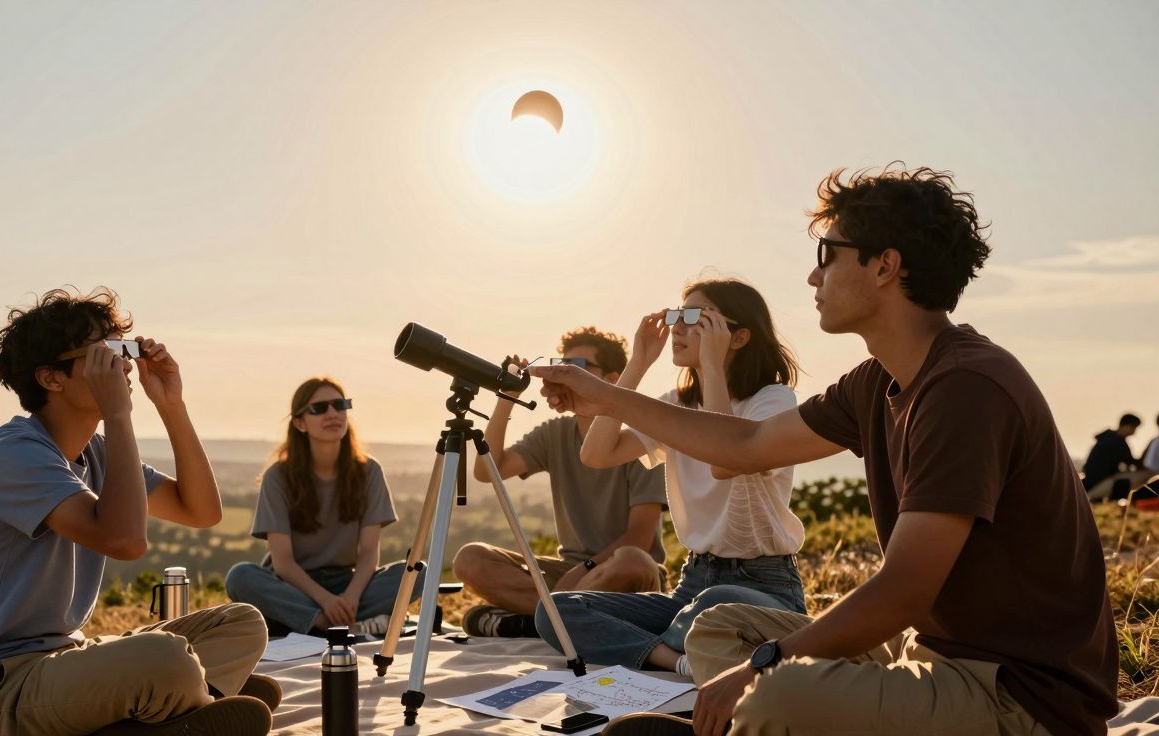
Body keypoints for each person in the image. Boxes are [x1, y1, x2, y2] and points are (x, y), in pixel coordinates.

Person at [534, 165, 1118, 736]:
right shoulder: (875, 381)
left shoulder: (966, 386)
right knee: (716, 631)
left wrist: (766, 665)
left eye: (827, 256)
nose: (814, 280)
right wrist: (599, 391)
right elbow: (744, 446)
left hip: (1018, 694)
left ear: (885, 266)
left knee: (777, 690)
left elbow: (903, 590)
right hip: (930, 649)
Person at [0, 288, 277, 736]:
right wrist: (119, 414)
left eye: (124, 349)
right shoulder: (13, 454)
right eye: (106, 352)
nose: (124, 364)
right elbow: (125, 541)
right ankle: (192, 700)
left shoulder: (97, 454)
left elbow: (201, 511)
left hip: (56, 664)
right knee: (164, 658)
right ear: (51, 378)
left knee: (241, 622)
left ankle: (178, 706)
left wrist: (170, 404)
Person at [534, 279, 805, 678]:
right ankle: (677, 658)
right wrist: (637, 363)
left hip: (764, 587)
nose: (677, 326)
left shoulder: (773, 401)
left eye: (695, 316)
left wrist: (712, 367)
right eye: (677, 314)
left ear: (739, 336)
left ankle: (686, 637)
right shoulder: (676, 406)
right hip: (692, 585)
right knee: (555, 612)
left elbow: (724, 460)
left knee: (717, 602)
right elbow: (597, 454)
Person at [452, 326, 669, 639]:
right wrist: (508, 395)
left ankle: (537, 619)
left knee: (633, 563)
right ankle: (561, 619)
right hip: (568, 574)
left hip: (622, 575)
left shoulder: (638, 439)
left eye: (577, 367)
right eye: (563, 365)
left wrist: (583, 573)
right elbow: (489, 470)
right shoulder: (555, 434)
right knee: (470, 559)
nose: (566, 374)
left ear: (611, 380)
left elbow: (639, 539)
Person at [226, 377, 422, 638]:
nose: (332, 414)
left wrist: (349, 598)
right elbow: (283, 563)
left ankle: (305, 621)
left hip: (346, 583)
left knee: (418, 573)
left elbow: (367, 555)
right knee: (239, 577)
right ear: (299, 423)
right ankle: (330, 624)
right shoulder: (278, 476)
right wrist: (326, 602)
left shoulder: (369, 471)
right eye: (319, 408)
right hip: (292, 584)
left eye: (339, 405)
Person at [1082, 413, 1148, 502]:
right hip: (1098, 480)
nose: (1134, 432)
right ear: (1126, 426)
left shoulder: (1109, 437)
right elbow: (1132, 462)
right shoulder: (1117, 442)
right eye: (1134, 428)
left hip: (1092, 478)